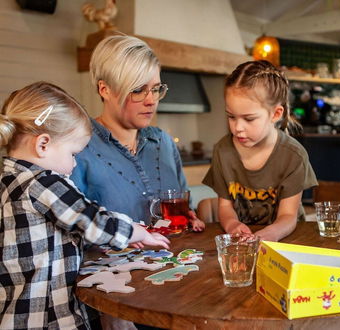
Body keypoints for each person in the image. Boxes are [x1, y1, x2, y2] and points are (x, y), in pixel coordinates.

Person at [0, 81, 169, 329]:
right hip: (49, 317)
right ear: (42, 144)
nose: (75, 164)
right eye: (73, 154)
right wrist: (134, 231)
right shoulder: (43, 183)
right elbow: (89, 218)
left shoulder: (8, 180)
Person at [70, 34, 204, 232]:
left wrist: (190, 218)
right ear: (104, 89)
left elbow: (184, 207)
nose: (151, 100)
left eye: (156, 89)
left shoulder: (163, 142)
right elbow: (71, 228)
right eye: (139, 90)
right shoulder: (77, 148)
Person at [203, 60, 318, 242]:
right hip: (242, 242)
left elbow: (288, 216)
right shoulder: (222, 151)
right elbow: (225, 207)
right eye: (231, 117)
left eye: (249, 119)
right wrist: (233, 225)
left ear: (275, 114)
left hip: (286, 240)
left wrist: (269, 234)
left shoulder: (294, 155)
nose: (238, 127)